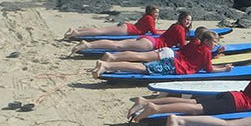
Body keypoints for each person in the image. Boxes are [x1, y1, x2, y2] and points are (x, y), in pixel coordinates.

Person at [126, 55, 251, 122]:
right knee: (195, 109)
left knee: (192, 101)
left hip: (232, 95)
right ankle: (155, 108)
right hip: (237, 104)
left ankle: (147, 101)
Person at [90, 30, 231, 79]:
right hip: (175, 68)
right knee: (142, 68)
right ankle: (107, 65)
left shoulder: (196, 44)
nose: (215, 44)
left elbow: (197, 57)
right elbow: (209, 69)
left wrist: (215, 52)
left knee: (141, 64)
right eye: (214, 42)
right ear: (206, 41)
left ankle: (107, 64)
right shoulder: (206, 51)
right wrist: (225, 68)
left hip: (172, 60)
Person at [72, 11, 192, 55]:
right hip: (152, 44)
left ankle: (87, 43)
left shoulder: (175, 26)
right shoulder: (180, 29)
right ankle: (88, 45)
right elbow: (182, 46)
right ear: (181, 19)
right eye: (186, 19)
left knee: (118, 44)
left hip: (149, 40)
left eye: (189, 20)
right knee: (118, 45)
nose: (187, 22)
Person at [64, 5, 160, 40]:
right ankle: (76, 33)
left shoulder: (147, 17)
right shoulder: (149, 19)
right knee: (101, 31)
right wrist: (163, 32)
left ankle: (76, 30)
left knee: (101, 30)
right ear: (151, 12)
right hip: (129, 30)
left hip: (127, 27)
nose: (157, 14)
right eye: (156, 12)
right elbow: (154, 32)